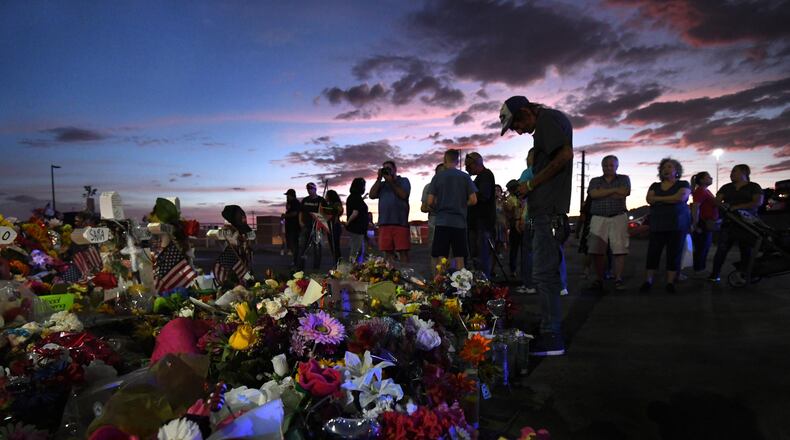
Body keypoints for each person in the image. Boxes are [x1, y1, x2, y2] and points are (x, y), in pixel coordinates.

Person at [500, 95, 573, 356]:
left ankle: (552, 336)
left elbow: (565, 154)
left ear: (524, 112)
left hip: (548, 214)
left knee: (545, 276)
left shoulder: (547, 120)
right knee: (545, 275)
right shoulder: (545, 124)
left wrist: (531, 184)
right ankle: (549, 329)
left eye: (515, 125)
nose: (517, 131)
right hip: (544, 211)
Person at [640, 158, 691, 293]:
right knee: (653, 253)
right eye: (663, 168)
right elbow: (649, 199)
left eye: (669, 167)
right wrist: (670, 198)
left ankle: (670, 283)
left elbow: (680, 198)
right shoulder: (655, 186)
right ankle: (648, 281)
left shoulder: (683, 183)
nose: (666, 170)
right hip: (657, 225)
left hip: (677, 225)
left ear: (676, 171)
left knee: (674, 254)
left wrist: (659, 199)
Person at [709, 164, 763, 282]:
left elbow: (758, 202)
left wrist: (736, 207)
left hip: (747, 225)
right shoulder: (726, 187)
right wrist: (722, 205)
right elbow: (717, 201)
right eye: (731, 171)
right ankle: (714, 275)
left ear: (744, 173)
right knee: (721, 250)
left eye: (735, 171)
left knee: (746, 250)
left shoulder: (754, 187)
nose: (731, 173)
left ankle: (745, 275)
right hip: (729, 223)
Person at [428, 149, 478, 271]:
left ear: (445, 160)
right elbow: (473, 200)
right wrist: (461, 205)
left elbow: (430, 201)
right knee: (459, 258)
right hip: (459, 223)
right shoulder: (465, 177)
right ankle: (461, 288)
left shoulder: (438, 177)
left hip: (442, 222)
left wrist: (439, 206)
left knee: (441, 258)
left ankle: (441, 286)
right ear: (457, 161)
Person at [586, 155, 631, 291]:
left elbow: (625, 192)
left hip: (618, 216)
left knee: (620, 250)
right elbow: (593, 195)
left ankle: (618, 278)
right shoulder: (595, 180)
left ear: (617, 166)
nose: (608, 167)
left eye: (611, 165)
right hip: (598, 217)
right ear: (602, 166)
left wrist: (603, 192)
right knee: (597, 251)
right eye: (606, 165)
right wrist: (614, 191)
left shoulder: (624, 178)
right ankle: (599, 278)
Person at [369, 160, 411, 263]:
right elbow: (372, 195)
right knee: (387, 253)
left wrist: (391, 181)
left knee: (403, 252)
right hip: (384, 223)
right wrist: (379, 178)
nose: (387, 171)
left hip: (400, 223)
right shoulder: (382, 185)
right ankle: (391, 275)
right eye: (385, 169)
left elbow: (403, 195)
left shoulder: (403, 181)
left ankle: (405, 274)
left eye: (389, 168)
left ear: (395, 169)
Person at [465, 152, 497, 277]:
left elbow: (483, 195)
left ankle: (484, 281)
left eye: (469, 166)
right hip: (476, 222)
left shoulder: (486, 175)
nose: (468, 169)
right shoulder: (480, 177)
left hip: (482, 222)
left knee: (482, 254)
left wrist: (467, 195)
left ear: (477, 163)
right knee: (476, 254)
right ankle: (480, 281)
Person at [689, 172, 718, 275]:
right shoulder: (701, 191)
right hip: (702, 223)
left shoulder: (706, 191)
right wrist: (696, 224)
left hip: (706, 223)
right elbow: (696, 207)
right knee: (701, 247)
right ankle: (698, 270)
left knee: (704, 247)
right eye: (708, 177)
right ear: (701, 180)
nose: (711, 178)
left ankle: (701, 268)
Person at [421, 163, 444, 271]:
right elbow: (423, 207)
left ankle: (448, 279)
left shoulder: (453, 187)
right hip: (434, 222)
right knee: (434, 252)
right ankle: (436, 279)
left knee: (448, 253)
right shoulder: (429, 187)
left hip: (449, 222)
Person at [297, 182, 325, 270]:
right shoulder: (305, 200)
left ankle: (316, 269)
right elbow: (300, 212)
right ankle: (300, 268)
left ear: (315, 189)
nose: (309, 190)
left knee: (317, 249)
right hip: (306, 226)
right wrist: (300, 222)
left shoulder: (321, 200)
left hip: (317, 228)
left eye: (311, 189)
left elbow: (326, 213)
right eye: (308, 189)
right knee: (302, 247)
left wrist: (321, 222)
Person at [346, 178, 369, 263]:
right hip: (357, 229)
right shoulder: (356, 197)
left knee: (357, 250)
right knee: (355, 251)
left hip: (358, 229)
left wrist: (363, 198)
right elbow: (355, 213)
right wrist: (347, 223)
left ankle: (355, 268)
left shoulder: (354, 197)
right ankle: (353, 270)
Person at [321, 190, 344, 265]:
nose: (325, 197)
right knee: (332, 246)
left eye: (327, 196)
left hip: (334, 226)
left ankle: (338, 263)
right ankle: (336, 262)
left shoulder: (336, 204)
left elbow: (340, 211)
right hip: (330, 226)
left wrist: (334, 211)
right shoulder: (328, 204)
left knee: (335, 246)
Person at [284, 189, 301, 266]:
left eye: (288, 195)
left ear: (291, 195)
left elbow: (295, 213)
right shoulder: (291, 203)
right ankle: (295, 261)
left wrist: (285, 216)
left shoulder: (295, 203)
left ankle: (296, 261)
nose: (287, 197)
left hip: (294, 228)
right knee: (291, 245)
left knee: (294, 245)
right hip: (290, 228)